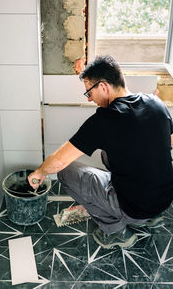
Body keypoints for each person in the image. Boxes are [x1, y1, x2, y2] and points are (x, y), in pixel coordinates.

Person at [28, 55, 173, 249]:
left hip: (134, 207)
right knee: (110, 153)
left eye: (89, 91)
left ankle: (116, 232)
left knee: (65, 173)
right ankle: (151, 218)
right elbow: (169, 143)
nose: (89, 98)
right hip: (164, 200)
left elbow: (59, 162)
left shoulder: (105, 119)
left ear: (103, 86)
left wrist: (39, 172)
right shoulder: (155, 102)